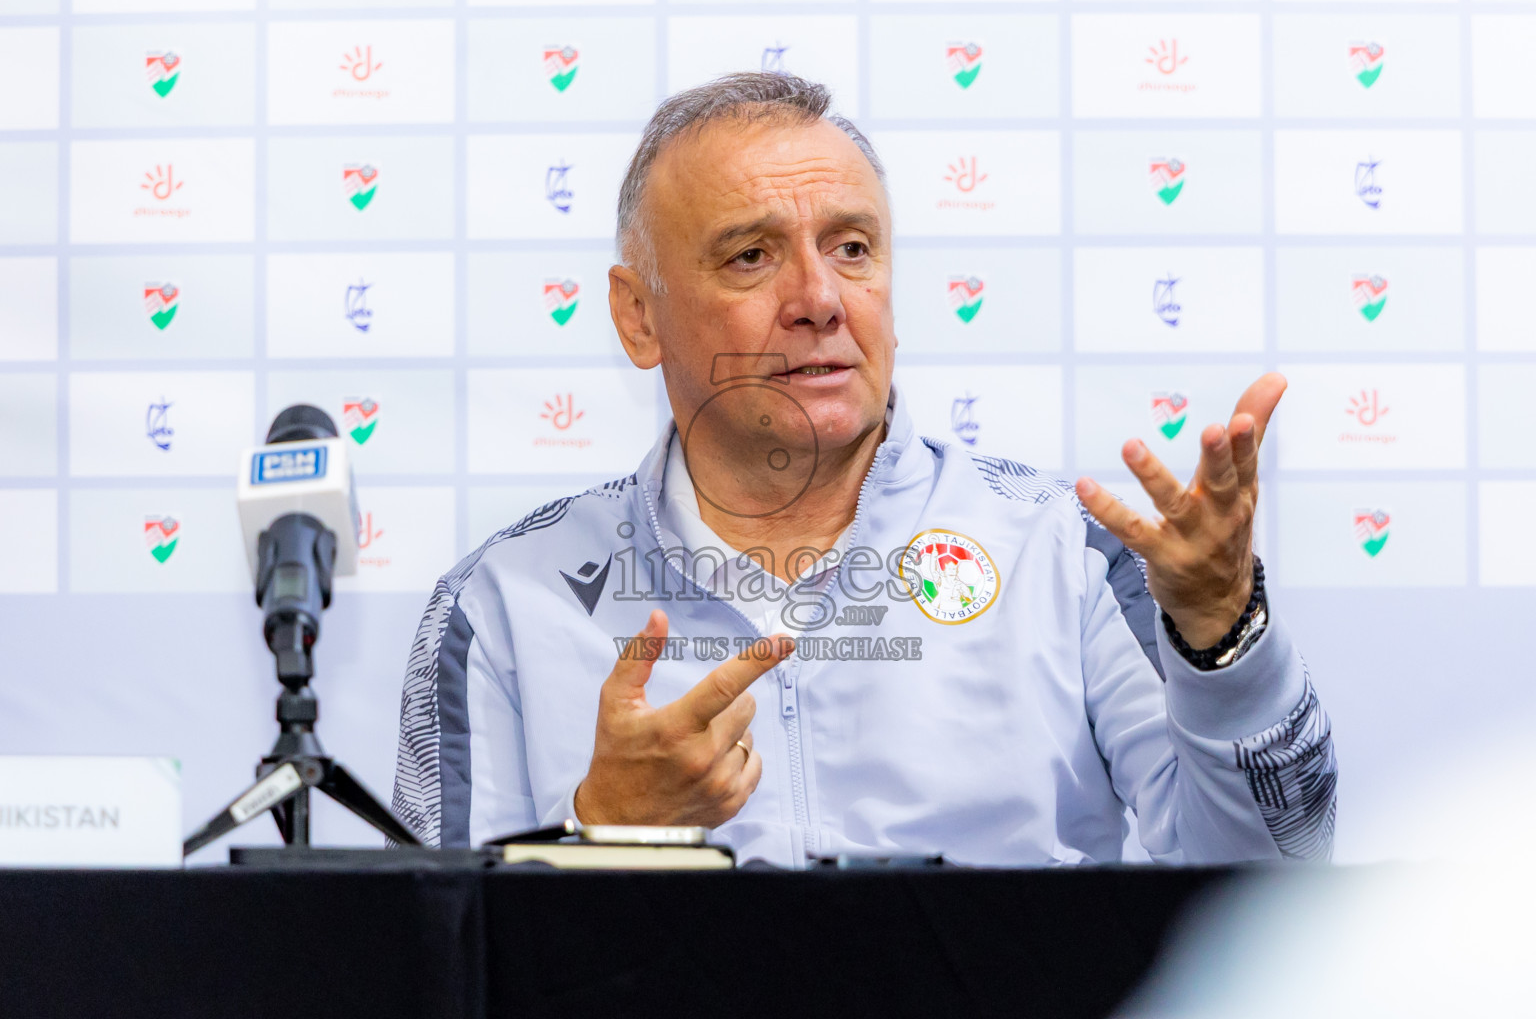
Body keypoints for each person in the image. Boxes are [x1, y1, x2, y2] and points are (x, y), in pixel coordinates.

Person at [392, 73, 1336, 867]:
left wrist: (1223, 642)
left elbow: (1266, 892)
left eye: (852, 248)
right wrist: (604, 834)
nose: (819, 299)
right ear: (640, 317)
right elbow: (438, 968)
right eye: (752, 256)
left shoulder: (1067, 557)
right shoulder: (502, 607)